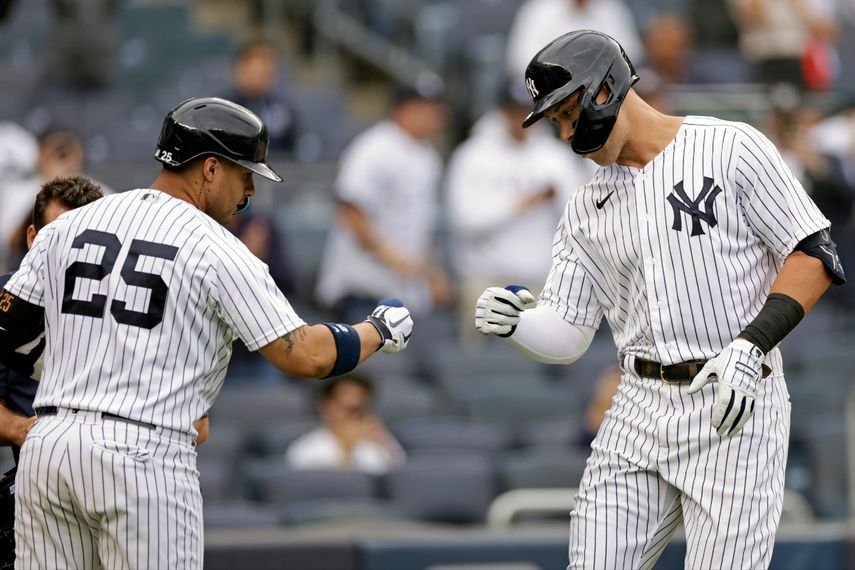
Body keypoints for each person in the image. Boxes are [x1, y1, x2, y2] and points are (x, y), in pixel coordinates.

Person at [475, 30, 844, 569]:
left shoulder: (729, 146)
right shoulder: (587, 207)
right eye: (555, 121)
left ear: (605, 89)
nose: (565, 134)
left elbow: (815, 255)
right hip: (639, 402)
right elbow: (569, 332)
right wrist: (518, 326)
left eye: (567, 113)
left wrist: (752, 345)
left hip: (735, 403)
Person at [0, 96, 414, 569]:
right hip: (143, 455)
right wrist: (377, 330)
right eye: (245, 173)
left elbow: (8, 333)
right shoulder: (218, 247)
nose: (251, 190)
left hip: (49, 448)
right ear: (211, 169)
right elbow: (308, 355)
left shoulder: (66, 227)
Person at [447, 80, 594, 342]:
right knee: (477, 370)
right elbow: (466, 221)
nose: (520, 119)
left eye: (525, 111)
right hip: (485, 284)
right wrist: (526, 202)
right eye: (513, 111)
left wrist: (551, 198)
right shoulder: (473, 156)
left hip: (542, 286)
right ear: (500, 112)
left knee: (538, 368)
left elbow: (579, 220)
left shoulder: (555, 158)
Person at [315, 83, 451, 324]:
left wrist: (430, 273)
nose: (435, 115)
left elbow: (421, 225)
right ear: (404, 109)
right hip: (362, 289)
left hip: (403, 293)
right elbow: (351, 212)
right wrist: (397, 260)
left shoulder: (429, 156)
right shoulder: (374, 147)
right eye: (426, 108)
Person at [286, 374, 406, 474]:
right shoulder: (305, 448)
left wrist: (384, 444)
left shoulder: (379, 438)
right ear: (326, 405)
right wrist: (347, 449)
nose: (354, 401)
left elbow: (401, 477)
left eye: (358, 407)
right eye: (346, 407)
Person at [506, 0, 643, 81]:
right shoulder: (539, 10)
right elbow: (520, 59)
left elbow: (631, 55)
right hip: (553, 92)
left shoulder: (612, 10)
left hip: (603, 89)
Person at [225, 39, 300, 156]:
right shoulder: (223, 109)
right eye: (259, 63)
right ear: (241, 68)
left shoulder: (282, 109)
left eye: (269, 63)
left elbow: (294, 150)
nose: (266, 69)